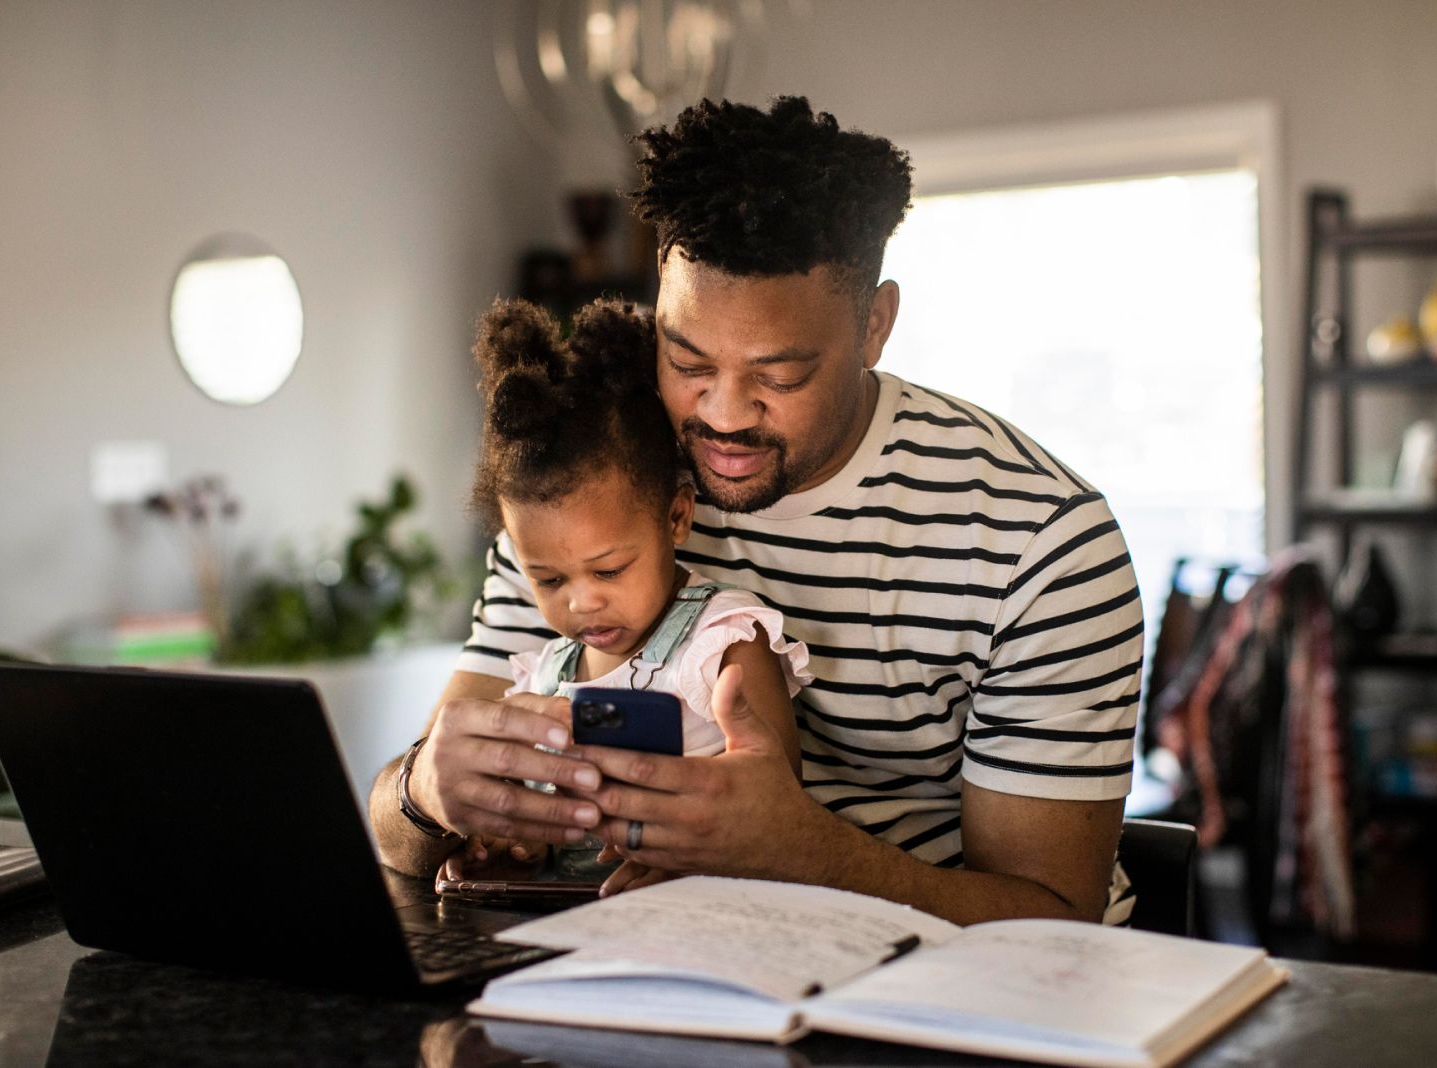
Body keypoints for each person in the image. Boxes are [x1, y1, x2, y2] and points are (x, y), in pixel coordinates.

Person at [372, 96, 1144, 927]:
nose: (726, 415)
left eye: (780, 375)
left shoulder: (1039, 542)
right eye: (687, 358)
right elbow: (396, 835)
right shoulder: (595, 490)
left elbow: (1054, 925)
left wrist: (799, 852)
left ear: (875, 324)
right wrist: (426, 791)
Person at [457, 296, 811, 893]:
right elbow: (533, 807)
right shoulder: (544, 677)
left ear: (677, 517)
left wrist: (693, 849)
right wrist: (514, 837)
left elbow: (776, 809)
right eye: (548, 580)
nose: (581, 603)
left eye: (610, 570)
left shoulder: (722, 643)